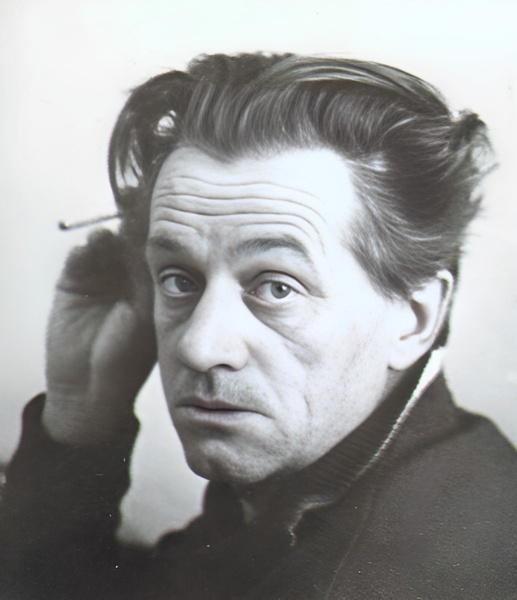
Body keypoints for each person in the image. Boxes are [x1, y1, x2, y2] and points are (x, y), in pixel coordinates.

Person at [0, 52, 515, 599]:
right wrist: (80, 416)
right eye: (179, 279)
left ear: (414, 318)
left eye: (276, 288)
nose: (200, 346)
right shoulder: (344, 475)